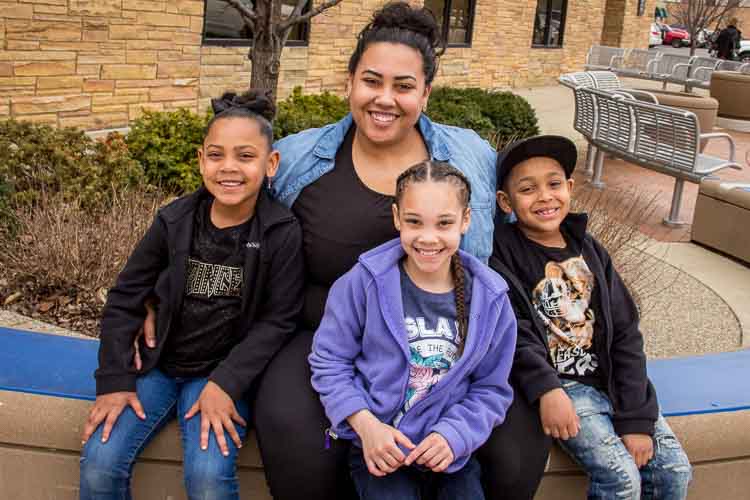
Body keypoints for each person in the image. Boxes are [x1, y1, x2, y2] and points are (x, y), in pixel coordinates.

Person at [138, 3, 552, 498]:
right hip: (318, 337)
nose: (384, 99)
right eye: (371, 81)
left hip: (447, 338)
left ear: (426, 93)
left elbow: (519, 238)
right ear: (350, 82)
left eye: (403, 86)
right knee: (297, 438)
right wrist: (157, 292)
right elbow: (211, 221)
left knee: (516, 451)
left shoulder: (471, 157)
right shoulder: (295, 158)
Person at [79, 90, 304, 500]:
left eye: (245, 156)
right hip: (160, 367)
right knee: (99, 460)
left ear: (271, 164)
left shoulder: (280, 232)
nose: (229, 168)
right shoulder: (175, 220)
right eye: (216, 156)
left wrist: (227, 383)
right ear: (201, 159)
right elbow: (126, 296)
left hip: (220, 375)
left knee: (207, 477)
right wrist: (113, 378)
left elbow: (279, 320)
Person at [490, 135, 693, 499]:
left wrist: (635, 418)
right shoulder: (502, 253)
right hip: (564, 388)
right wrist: (546, 389)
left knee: (675, 471)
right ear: (505, 201)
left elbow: (626, 333)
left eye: (554, 184)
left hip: (612, 383)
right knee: (621, 478)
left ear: (569, 187)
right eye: (527, 189)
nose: (545, 196)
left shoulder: (591, 250)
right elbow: (513, 331)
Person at [309, 161, 516, 500]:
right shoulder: (363, 282)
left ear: (465, 220)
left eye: (444, 223)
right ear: (396, 218)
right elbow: (329, 362)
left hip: (451, 452)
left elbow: (491, 389)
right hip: (379, 446)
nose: (428, 237)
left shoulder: (491, 298)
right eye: (414, 222)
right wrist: (366, 425)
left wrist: (454, 435)